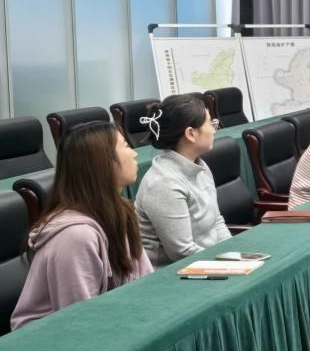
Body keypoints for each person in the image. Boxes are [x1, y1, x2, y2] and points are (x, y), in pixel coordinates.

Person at [10, 122, 153, 330]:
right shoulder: (75, 236)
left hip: (109, 324)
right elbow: (81, 323)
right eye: (125, 146)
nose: (135, 153)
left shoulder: (120, 211)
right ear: (103, 162)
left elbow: (145, 283)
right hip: (49, 341)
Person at [134, 93, 231, 266]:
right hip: (175, 273)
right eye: (210, 123)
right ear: (191, 133)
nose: (214, 129)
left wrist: (233, 254)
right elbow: (182, 252)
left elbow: (217, 221)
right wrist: (227, 265)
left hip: (209, 262)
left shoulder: (200, 166)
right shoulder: (163, 183)